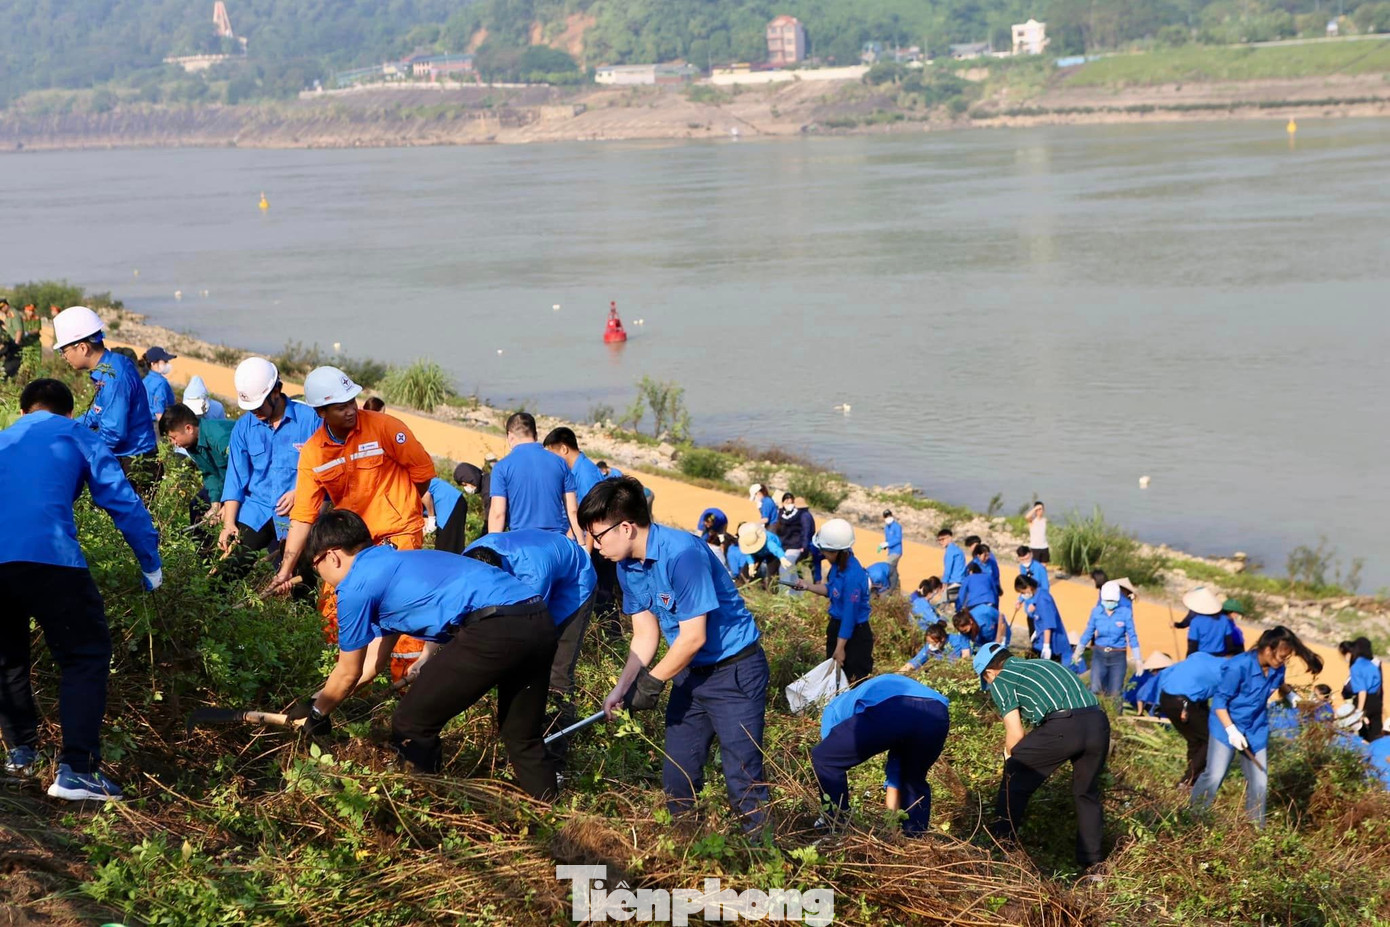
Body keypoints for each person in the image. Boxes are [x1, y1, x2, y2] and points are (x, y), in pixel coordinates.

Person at [291, 511, 558, 799]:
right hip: (537, 617)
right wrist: (317, 701)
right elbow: (369, 667)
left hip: (495, 626)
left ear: (331, 557)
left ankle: (424, 806)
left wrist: (317, 714)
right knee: (522, 736)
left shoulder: (355, 587)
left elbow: (347, 672)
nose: (323, 578)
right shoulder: (391, 564)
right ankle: (551, 814)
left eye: (316, 566)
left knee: (411, 723)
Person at [0, 379, 162, 802]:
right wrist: (150, 562)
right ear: (69, 412)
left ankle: (21, 755)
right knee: (85, 656)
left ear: (24, 411)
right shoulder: (77, 434)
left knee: (8, 658)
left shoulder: (4, 439)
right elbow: (122, 501)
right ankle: (78, 770)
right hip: (52, 560)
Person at [578, 477, 768, 828]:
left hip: (734, 673)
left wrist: (651, 683)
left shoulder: (683, 555)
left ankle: (762, 850)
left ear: (626, 528)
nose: (596, 545)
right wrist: (622, 688)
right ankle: (686, 845)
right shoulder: (626, 567)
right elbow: (645, 635)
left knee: (743, 779)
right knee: (678, 776)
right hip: (688, 675)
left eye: (598, 536)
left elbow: (694, 637)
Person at [270, 367, 436, 681]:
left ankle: (405, 685)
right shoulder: (314, 454)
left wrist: (400, 508)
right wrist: (286, 569)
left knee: (400, 610)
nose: (350, 410)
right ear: (321, 412)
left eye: (351, 401)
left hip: (398, 534)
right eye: (340, 406)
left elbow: (422, 474)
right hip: (351, 543)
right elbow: (303, 516)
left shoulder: (386, 428)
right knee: (335, 609)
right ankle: (344, 686)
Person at [975, 642, 1110, 872]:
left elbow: (1016, 733)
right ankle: (1094, 867)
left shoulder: (1002, 680)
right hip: (1098, 724)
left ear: (989, 672)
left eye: (986, 680)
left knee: (1014, 775)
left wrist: (1008, 758)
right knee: (1086, 794)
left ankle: (999, 851)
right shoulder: (1045, 665)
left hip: (1065, 726)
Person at [1190, 627, 1323, 826]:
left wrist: (1291, 696)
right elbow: (1219, 703)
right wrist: (1231, 731)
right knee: (1215, 775)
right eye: (1281, 657)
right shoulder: (1238, 667)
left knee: (1260, 782)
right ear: (1268, 650)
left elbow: (1279, 683)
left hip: (1255, 729)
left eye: (1286, 658)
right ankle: (1194, 815)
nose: (1283, 661)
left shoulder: (1277, 668)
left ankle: (1255, 829)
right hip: (1226, 726)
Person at [464, 529, 596, 714]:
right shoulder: (468, 560)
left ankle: (560, 726)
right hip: (546, 560)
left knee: (558, 669)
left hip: (575, 582)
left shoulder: (532, 575)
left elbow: (531, 627)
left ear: (500, 576)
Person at [812, 674, 950, 836]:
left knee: (825, 757)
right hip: (937, 713)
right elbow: (896, 774)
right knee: (911, 779)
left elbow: (828, 755)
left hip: (893, 706)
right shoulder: (866, 697)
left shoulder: (833, 708)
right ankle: (914, 840)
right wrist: (891, 826)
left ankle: (836, 828)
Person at [219, 357, 319, 562]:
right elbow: (235, 479)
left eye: (258, 405)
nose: (254, 412)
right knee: (229, 568)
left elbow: (326, 469)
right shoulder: (243, 427)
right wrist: (229, 523)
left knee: (294, 574)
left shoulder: (311, 420)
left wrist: (300, 492)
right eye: (250, 407)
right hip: (256, 510)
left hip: (297, 514)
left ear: (275, 392)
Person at [53, 306, 158, 494]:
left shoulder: (113, 377)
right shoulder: (109, 366)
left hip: (135, 463)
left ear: (83, 347)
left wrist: (77, 449)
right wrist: (67, 427)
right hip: (126, 457)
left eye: (64, 350)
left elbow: (114, 434)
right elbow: (97, 412)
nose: (64, 357)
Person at [795, 519, 874, 683]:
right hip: (837, 629)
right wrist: (808, 586)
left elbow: (849, 615)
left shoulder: (853, 575)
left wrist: (840, 648)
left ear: (836, 551)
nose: (822, 553)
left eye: (824, 550)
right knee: (833, 681)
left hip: (854, 636)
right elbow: (832, 590)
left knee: (853, 681)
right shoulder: (838, 565)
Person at [489, 413, 583, 539]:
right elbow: (573, 510)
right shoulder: (560, 463)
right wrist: (582, 544)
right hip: (555, 541)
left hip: (521, 541)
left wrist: (492, 545)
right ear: (536, 435)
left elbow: (498, 513)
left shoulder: (501, 467)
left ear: (510, 436)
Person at [1156, 651, 1225, 788]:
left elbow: (1164, 673)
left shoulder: (1199, 656)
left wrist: (1157, 704)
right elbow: (1224, 701)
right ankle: (1186, 781)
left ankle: (1190, 782)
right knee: (1212, 740)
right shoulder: (1229, 673)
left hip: (1166, 698)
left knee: (1195, 740)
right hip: (1184, 703)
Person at [159, 402, 233, 527]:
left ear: (189, 429)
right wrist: (215, 505)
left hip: (249, 483)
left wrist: (228, 505)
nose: (173, 443)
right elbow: (210, 474)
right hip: (226, 481)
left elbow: (243, 472)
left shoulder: (220, 437)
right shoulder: (192, 444)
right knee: (197, 506)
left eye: (174, 437)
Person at [1073, 580, 1140, 699]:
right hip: (1099, 654)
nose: (1110, 604)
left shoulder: (1125, 613)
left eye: (1112, 601)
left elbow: (1132, 635)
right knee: (1095, 688)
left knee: (1115, 692)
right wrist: (1078, 650)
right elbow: (1088, 632)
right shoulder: (1096, 612)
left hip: (1118, 655)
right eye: (1107, 601)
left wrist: (1138, 658)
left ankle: (1114, 710)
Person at [541, 427, 605, 510]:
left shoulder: (586, 474)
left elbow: (592, 511)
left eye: (552, 455)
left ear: (564, 449)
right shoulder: (573, 470)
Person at [1016, 575, 1072, 664]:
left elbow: (1047, 625)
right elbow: (1039, 619)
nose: (1023, 595)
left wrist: (1046, 646)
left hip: (1052, 642)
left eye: (1023, 592)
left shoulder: (1043, 600)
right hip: (1042, 638)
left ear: (1029, 587)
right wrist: (1037, 632)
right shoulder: (1037, 596)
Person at [1343, 637, 1383, 743]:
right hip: (1376, 701)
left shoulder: (1356, 666)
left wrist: (1359, 711)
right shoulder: (1373, 665)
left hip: (1364, 701)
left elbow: (1362, 691)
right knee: (1376, 733)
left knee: (1362, 734)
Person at [956, 563, 1004, 646]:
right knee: (992, 626)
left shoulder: (968, 578)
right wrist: (996, 608)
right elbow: (995, 592)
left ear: (970, 572)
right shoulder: (988, 576)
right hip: (989, 603)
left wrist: (958, 610)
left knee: (974, 628)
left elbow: (961, 595)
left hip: (974, 605)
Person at [1182, 587, 1239, 657]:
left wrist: (1189, 659)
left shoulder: (1196, 621)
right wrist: (1230, 655)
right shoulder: (1224, 620)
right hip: (1219, 656)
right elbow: (1229, 641)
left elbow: (1192, 645)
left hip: (1201, 656)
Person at [424, 475, 468, 554]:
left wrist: (431, 518)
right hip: (452, 502)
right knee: (446, 546)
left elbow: (425, 494)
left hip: (450, 503)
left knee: (447, 547)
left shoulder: (407, 482)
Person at [735, 521, 785, 590]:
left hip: (771, 554)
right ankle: (741, 587)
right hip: (757, 554)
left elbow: (776, 549)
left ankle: (772, 591)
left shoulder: (768, 541)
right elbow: (749, 554)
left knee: (772, 573)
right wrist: (751, 565)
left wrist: (782, 557)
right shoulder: (749, 541)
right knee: (746, 571)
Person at [140, 347, 178, 424]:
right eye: (165, 361)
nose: (167, 364)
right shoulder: (161, 383)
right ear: (153, 363)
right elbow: (159, 411)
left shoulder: (145, 380)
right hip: (156, 424)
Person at [775, 493, 808, 571]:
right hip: (783, 545)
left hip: (794, 546)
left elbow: (787, 520)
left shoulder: (798, 514)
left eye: (791, 503)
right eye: (787, 502)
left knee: (785, 568)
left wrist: (804, 545)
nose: (789, 505)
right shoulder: (781, 514)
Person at [877, 510, 903, 594]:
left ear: (891, 516)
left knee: (888, 567)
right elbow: (887, 540)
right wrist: (883, 546)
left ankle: (888, 588)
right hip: (890, 552)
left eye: (889, 516)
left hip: (896, 551)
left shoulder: (897, 526)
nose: (888, 518)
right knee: (893, 570)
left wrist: (888, 544)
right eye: (886, 517)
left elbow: (898, 539)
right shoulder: (886, 528)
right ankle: (896, 588)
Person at [938, 528, 966, 598]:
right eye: (939, 540)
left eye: (943, 539)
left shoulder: (950, 550)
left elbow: (948, 568)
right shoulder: (957, 549)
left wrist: (944, 583)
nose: (941, 542)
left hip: (953, 582)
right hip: (961, 581)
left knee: (944, 603)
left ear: (950, 538)